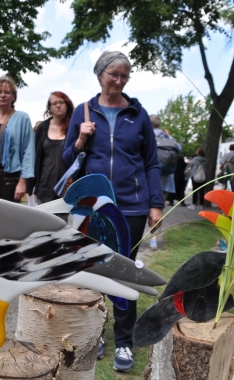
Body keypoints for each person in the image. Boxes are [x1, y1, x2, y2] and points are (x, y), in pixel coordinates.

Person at [62, 51, 163, 372]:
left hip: (132, 206)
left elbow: (151, 162)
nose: (118, 81)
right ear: (100, 74)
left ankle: (124, 341)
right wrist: (80, 138)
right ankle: (94, 334)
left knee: (124, 271)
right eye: (113, 75)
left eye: (124, 76)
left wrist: (156, 203)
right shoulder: (82, 111)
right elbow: (67, 157)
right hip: (93, 206)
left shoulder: (138, 114)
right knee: (91, 268)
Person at [27, 92, 73, 203]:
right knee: (43, 220)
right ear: (49, 108)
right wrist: (30, 184)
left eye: (61, 102)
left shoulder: (73, 127)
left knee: (62, 220)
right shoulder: (42, 127)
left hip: (66, 186)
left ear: (67, 105)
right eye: (54, 103)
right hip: (45, 186)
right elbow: (35, 157)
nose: (58, 105)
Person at [149, 116, 181, 251]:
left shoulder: (147, 136)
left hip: (148, 179)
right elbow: (179, 149)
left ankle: (139, 236)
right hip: (166, 179)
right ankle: (154, 240)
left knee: (142, 208)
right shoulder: (170, 139)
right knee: (159, 210)